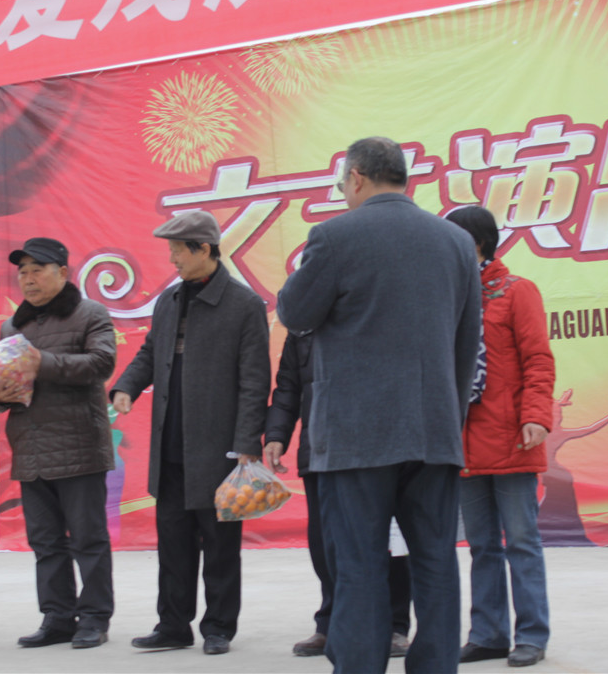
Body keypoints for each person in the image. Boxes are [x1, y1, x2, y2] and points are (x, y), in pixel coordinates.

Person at [276, 137, 481, 674]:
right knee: (435, 560)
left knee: (360, 562)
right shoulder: (456, 242)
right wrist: (449, 418)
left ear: (357, 177)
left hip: (356, 438)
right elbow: (466, 345)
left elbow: (295, 313)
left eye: (342, 182)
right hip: (434, 432)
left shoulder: (334, 236)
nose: (343, 191)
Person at [111, 210, 270, 657]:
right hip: (171, 445)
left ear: (203, 248)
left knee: (220, 546)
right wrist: (126, 386)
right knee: (173, 544)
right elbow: (149, 352)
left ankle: (218, 627)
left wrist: (247, 443)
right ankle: (173, 625)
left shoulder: (243, 305)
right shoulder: (170, 300)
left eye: (178, 250)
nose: (172, 259)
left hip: (219, 450)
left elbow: (255, 381)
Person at [0, 237, 117, 650]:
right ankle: (57, 617)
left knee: (88, 540)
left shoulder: (90, 313)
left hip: (78, 446)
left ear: (62, 272)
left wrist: (43, 362)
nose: (28, 279)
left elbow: (101, 364)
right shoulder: (12, 327)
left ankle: (94, 618)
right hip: (32, 449)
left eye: (37, 270)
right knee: (45, 542)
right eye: (22, 272)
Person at [445, 205, 554, 668]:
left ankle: (531, 635)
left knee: (522, 542)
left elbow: (538, 359)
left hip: (511, 436)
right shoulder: (448, 296)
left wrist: (536, 416)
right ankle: (488, 635)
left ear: (476, 243)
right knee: (481, 546)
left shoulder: (516, 291)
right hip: (463, 442)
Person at [263, 331, 413, 659]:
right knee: (325, 544)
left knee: (386, 541)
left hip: (373, 451)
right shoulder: (301, 328)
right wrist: (276, 435)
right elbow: (288, 387)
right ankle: (332, 621)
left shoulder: (365, 312)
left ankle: (395, 624)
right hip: (319, 450)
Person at [538, 389, 608, 546]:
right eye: (555, 414)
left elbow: (590, 428)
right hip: (543, 471)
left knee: (562, 489)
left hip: (556, 475)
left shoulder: (560, 433)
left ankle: (562, 528)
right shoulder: (539, 431)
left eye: (559, 414)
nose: (559, 417)